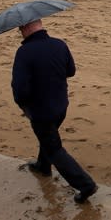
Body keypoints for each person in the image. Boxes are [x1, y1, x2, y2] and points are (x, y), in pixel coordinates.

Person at [11, 19, 98, 203]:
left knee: (54, 148)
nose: (20, 31)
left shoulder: (25, 52)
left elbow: (20, 89)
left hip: (41, 110)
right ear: (40, 25)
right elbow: (71, 71)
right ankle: (43, 165)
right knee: (49, 137)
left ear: (26, 28)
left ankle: (85, 185)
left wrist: (24, 105)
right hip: (61, 105)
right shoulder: (59, 44)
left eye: (20, 28)